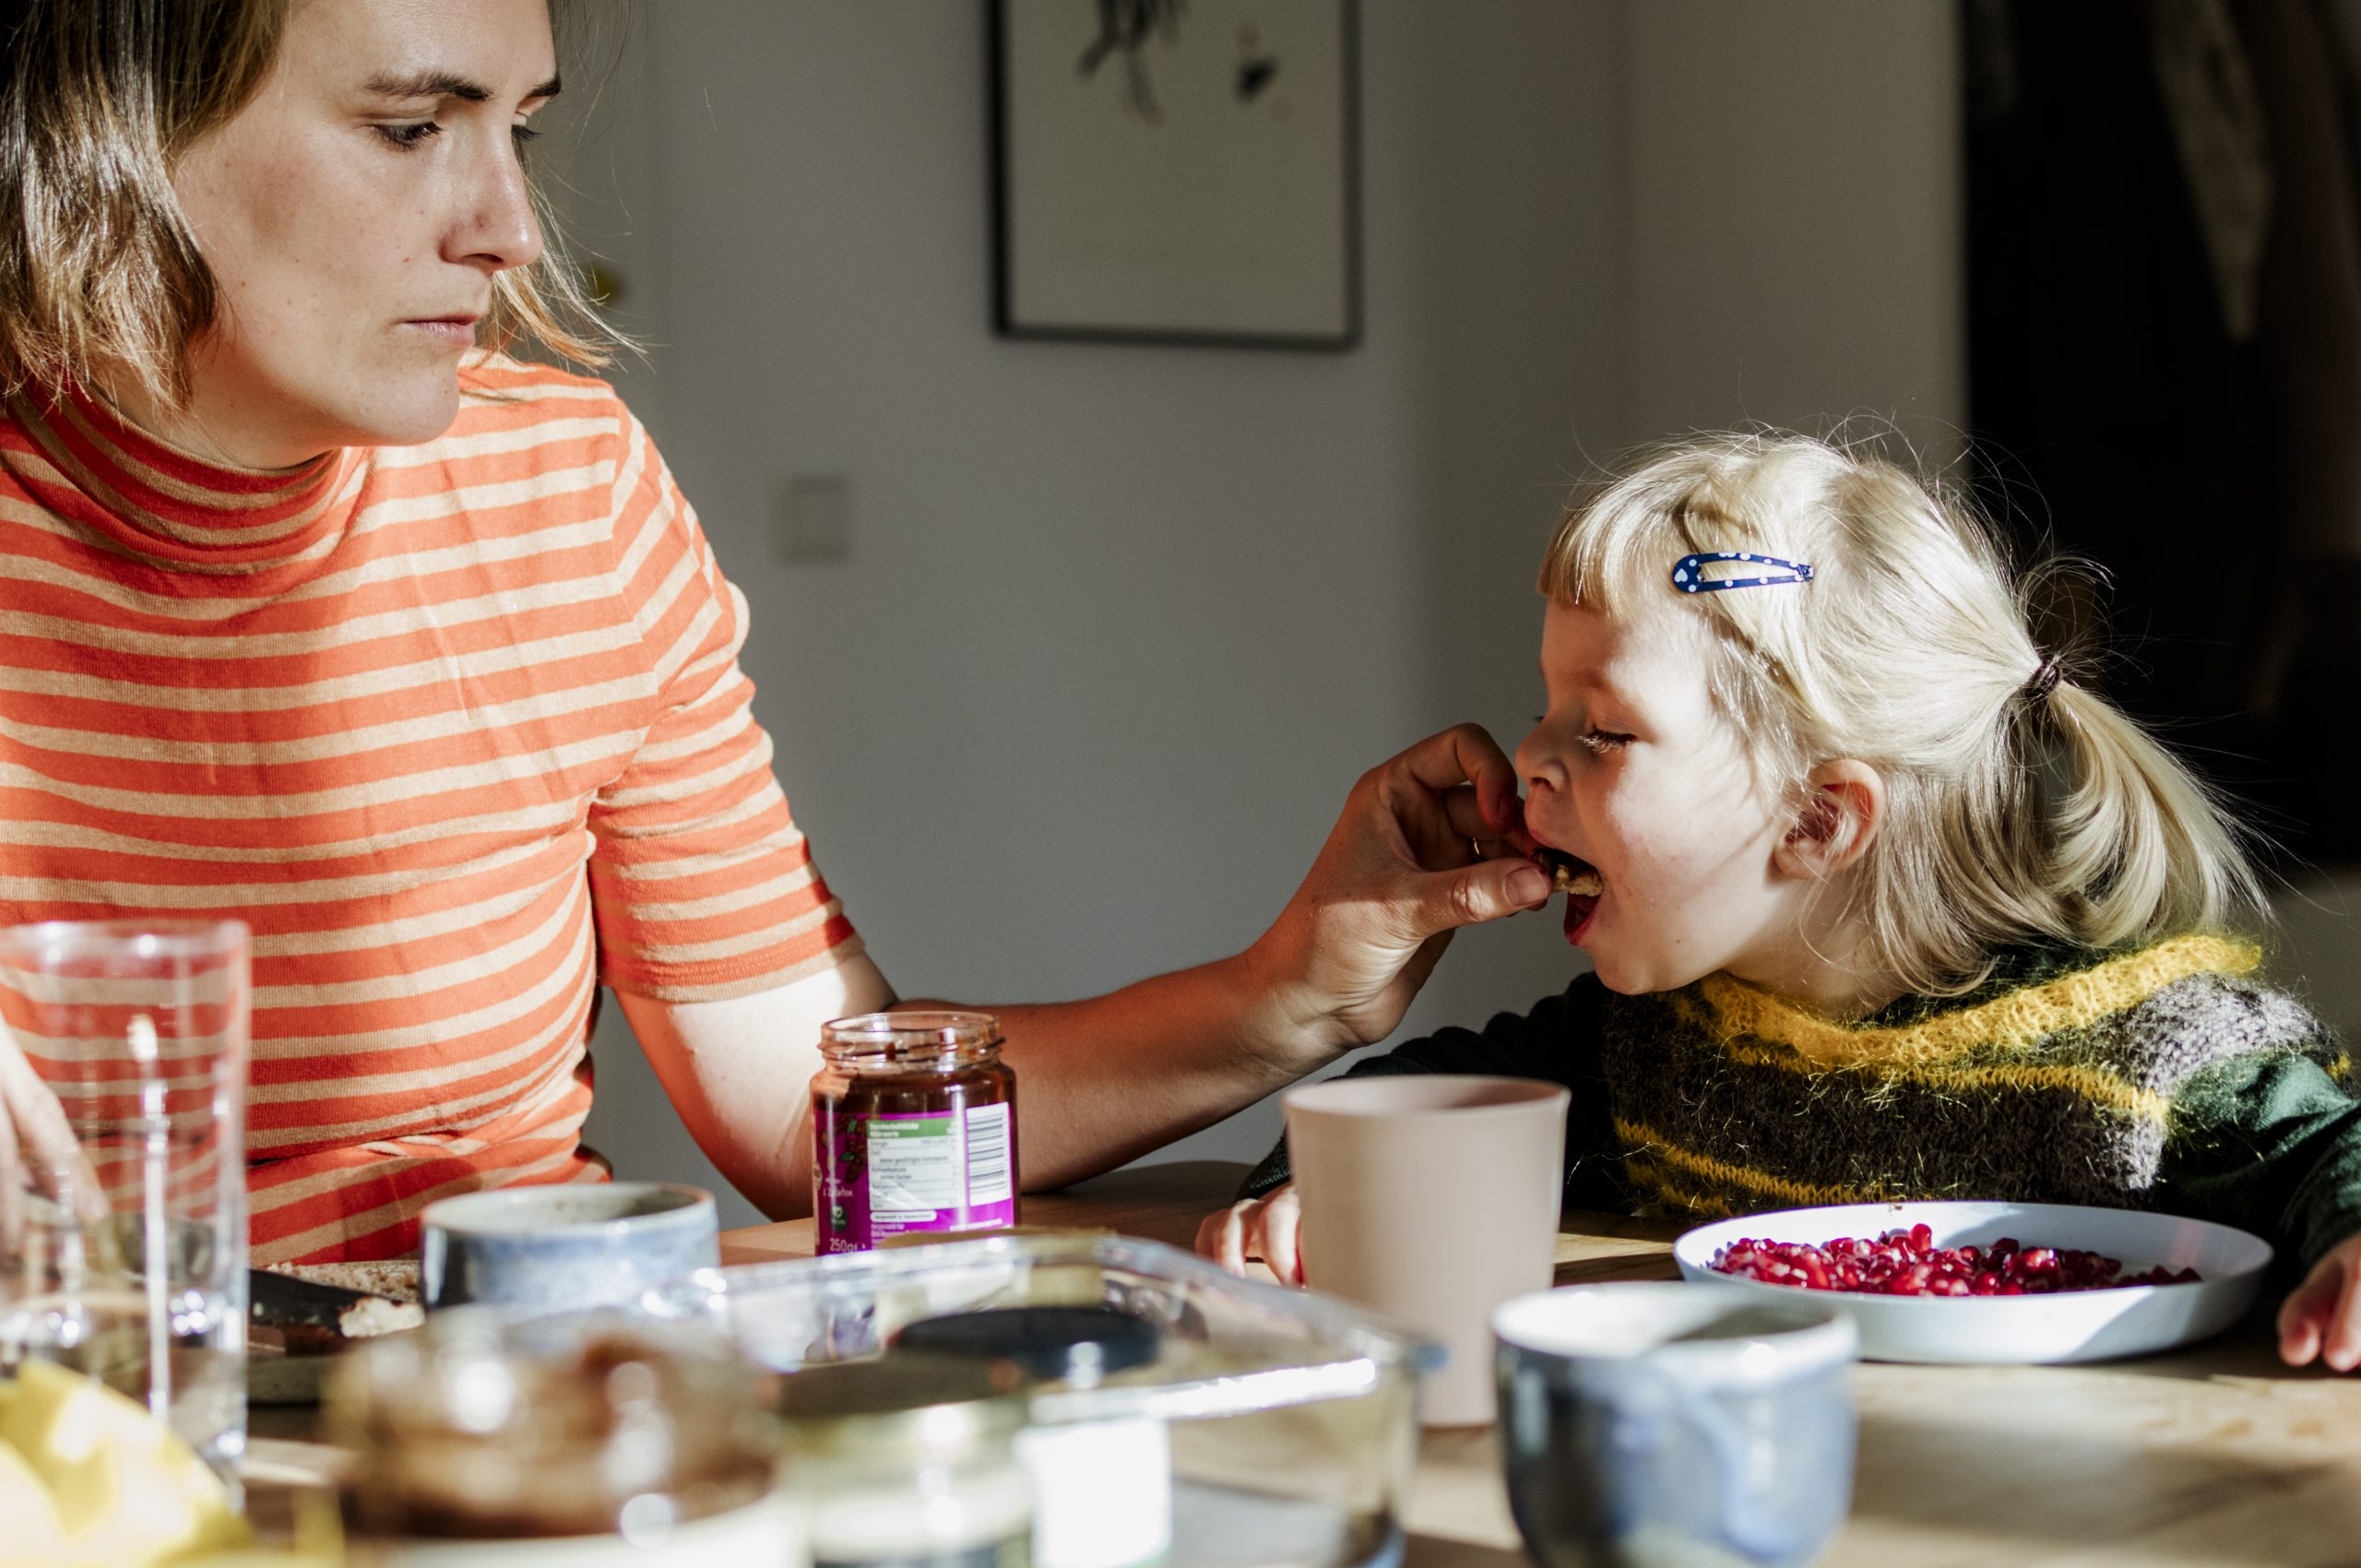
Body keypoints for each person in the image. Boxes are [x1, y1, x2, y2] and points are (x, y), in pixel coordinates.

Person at [0, 0, 1551, 1262]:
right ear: (114, 119)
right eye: (412, 128)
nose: (509, 229)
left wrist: (1286, 990)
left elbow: (810, 1123)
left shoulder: (573, 493)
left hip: (507, 1425)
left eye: (518, 130)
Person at [1199, 433, 2361, 1372]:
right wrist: (1311, 1194)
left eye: (1600, 729)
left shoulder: (2149, 1053)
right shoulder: (1657, 1042)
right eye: (1546, 709)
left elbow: (2324, 1149)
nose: (1529, 757)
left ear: (1816, 820)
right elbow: (1434, 1100)